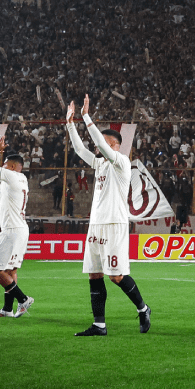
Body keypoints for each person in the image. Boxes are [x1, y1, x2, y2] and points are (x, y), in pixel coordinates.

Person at [66, 95, 151, 337]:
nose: (97, 145)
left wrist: (85, 116)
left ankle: (143, 308)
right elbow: (80, 149)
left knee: (116, 276)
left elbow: (99, 145)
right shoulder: (101, 164)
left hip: (114, 223)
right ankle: (99, 325)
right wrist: (71, 123)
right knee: (94, 274)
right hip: (96, 225)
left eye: (103, 142)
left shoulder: (121, 161)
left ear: (114, 144)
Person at [0, 138, 34, 318]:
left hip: (11, 230)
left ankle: (22, 299)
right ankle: (7, 309)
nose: (2, 167)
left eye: (5, 165)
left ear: (11, 167)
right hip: (20, 229)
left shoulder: (11, 176)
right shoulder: (20, 178)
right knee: (10, 270)